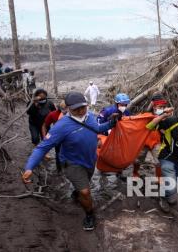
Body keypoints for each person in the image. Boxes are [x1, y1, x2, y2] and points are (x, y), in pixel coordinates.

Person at [22, 92, 117, 231]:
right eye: (75, 109)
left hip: (90, 160)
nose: (80, 111)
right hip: (72, 163)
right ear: (68, 108)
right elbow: (42, 148)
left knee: (84, 186)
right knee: (85, 192)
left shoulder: (90, 116)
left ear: (87, 105)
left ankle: (77, 192)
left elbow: (98, 129)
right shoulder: (61, 126)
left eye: (82, 108)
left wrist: (112, 123)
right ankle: (90, 214)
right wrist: (29, 167)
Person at [132, 93, 169, 179]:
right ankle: (135, 173)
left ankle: (159, 178)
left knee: (159, 161)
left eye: (163, 107)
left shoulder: (164, 116)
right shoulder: (146, 115)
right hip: (143, 141)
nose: (162, 109)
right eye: (160, 107)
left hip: (156, 141)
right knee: (138, 160)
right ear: (153, 105)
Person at [42, 100, 68, 173]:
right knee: (58, 153)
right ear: (59, 108)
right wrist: (44, 137)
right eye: (63, 108)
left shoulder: (73, 114)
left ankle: (66, 167)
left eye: (67, 108)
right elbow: (44, 125)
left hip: (69, 137)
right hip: (58, 138)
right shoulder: (53, 114)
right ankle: (59, 170)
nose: (65, 110)